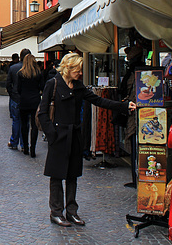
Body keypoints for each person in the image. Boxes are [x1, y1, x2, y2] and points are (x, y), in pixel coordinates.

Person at [38, 52, 136, 227]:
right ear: (68, 68)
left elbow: (99, 100)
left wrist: (123, 106)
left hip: (74, 136)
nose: (80, 73)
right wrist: (52, 134)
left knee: (72, 175)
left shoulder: (78, 86)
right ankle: (56, 212)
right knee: (57, 175)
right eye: (77, 69)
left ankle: (72, 211)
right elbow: (43, 112)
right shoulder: (52, 84)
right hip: (58, 136)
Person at [17, 54, 44, 157]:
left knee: (24, 125)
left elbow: (18, 89)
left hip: (24, 100)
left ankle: (25, 147)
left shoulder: (20, 74)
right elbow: (42, 86)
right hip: (35, 100)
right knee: (34, 125)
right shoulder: (38, 73)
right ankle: (33, 149)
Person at [6, 48, 31, 150]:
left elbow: (8, 84)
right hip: (28, 99)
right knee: (26, 122)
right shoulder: (32, 69)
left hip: (16, 98)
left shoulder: (13, 68)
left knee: (16, 120)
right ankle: (24, 144)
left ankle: (14, 142)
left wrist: (12, 94)